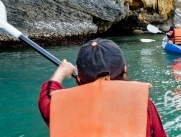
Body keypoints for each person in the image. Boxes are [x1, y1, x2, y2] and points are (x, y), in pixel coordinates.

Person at [38, 38, 167, 137]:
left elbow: (46, 98)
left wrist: (60, 72)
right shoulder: (144, 105)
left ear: (78, 77)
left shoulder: (61, 108)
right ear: (125, 70)